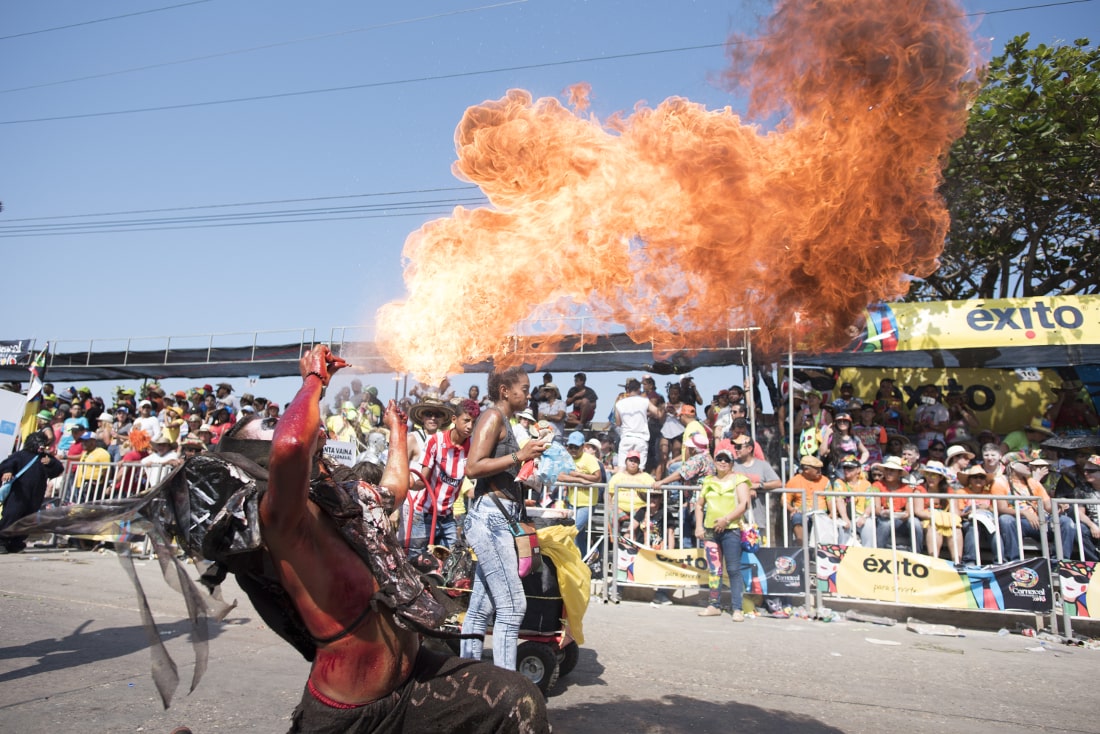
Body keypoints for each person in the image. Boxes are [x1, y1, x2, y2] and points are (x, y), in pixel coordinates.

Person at [262, 347, 548, 731]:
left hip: (412, 683)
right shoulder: (287, 521)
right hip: (351, 712)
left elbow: (394, 489)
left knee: (518, 699)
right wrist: (313, 382)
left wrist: (398, 431)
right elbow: (291, 445)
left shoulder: (345, 498)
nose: (320, 432)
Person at [460, 366, 549, 671]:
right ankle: (508, 693)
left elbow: (498, 466)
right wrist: (518, 457)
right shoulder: (491, 417)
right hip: (489, 521)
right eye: (524, 388)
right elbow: (472, 467)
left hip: (500, 518)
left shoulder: (506, 422)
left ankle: (468, 677)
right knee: (512, 608)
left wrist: (525, 469)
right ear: (505, 391)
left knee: (481, 608)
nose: (528, 393)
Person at [992, 460, 1094, 561]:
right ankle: (1014, 561)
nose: (1029, 465)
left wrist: (1059, 506)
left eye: (1029, 463)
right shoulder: (1000, 482)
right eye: (1025, 464)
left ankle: (1059, 562)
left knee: (1065, 521)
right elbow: (1001, 508)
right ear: (1013, 465)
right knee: (1005, 519)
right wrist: (1024, 512)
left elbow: (1048, 507)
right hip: (1018, 522)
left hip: (1040, 520)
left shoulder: (1033, 482)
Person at [409, 399, 477, 548]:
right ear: (454, 419)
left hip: (448, 517)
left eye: (473, 422)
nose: (470, 426)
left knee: (450, 565)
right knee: (417, 564)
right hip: (424, 515)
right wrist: (408, 483)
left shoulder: (474, 446)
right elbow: (423, 481)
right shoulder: (435, 441)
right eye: (466, 421)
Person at [695, 440, 751, 621]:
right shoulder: (708, 481)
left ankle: (737, 608)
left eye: (726, 460)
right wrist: (699, 525)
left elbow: (744, 504)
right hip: (711, 530)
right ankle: (714, 604)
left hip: (731, 529)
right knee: (714, 570)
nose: (722, 462)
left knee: (734, 569)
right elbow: (699, 504)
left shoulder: (739, 479)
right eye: (719, 459)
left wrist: (726, 519)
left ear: (732, 463)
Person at [0, 431, 63, 553]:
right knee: (11, 516)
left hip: (35, 495)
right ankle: (1, 541)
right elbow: (6, 464)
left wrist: (51, 463)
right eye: (40, 443)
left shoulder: (45, 458)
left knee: (27, 519)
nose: (42, 446)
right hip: (18, 494)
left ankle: (16, 543)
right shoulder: (20, 455)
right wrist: (8, 471)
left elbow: (58, 469)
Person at [556, 430, 602, 559]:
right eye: (571, 446)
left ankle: (588, 555)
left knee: (572, 530)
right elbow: (560, 476)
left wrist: (578, 475)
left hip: (587, 503)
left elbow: (597, 477)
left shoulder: (589, 459)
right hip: (572, 502)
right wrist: (580, 480)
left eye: (576, 447)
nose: (573, 450)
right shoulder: (566, 458)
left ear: (583, 447)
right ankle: (589, 555)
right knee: (579, 535)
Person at [872, 456, 925, 553]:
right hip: (884, 518)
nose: (889, 472)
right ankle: (878, 554)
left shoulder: (907, 488)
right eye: (887, 469)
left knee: (915, 522)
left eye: (892, 470)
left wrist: (905, 514)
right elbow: (877, 508)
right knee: (886, 523)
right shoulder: (877, 485)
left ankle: (918, 553)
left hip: (901, 520)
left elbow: (909, 511)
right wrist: (884, 513)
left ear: (899, 473)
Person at [614, 378, 662, 471]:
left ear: (627, 390)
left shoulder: (619, 404)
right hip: (641, 439)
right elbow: (658, 413)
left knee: (621, 468)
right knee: (640, 469)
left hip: (626, 438)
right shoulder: (644, 401)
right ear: (639, 389)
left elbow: (618, 423)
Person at [782, 455, 830, 544]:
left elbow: (830, 499)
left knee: (829, 520)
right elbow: (784, 500)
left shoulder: (825, 480)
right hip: (803, 513)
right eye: (817, 469)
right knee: (796, 517)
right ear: (806, 470)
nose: (820, 471)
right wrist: (792, 509)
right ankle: (803, 547)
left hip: (821, 514)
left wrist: (831, 514)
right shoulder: (794, 481)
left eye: (820, 468)